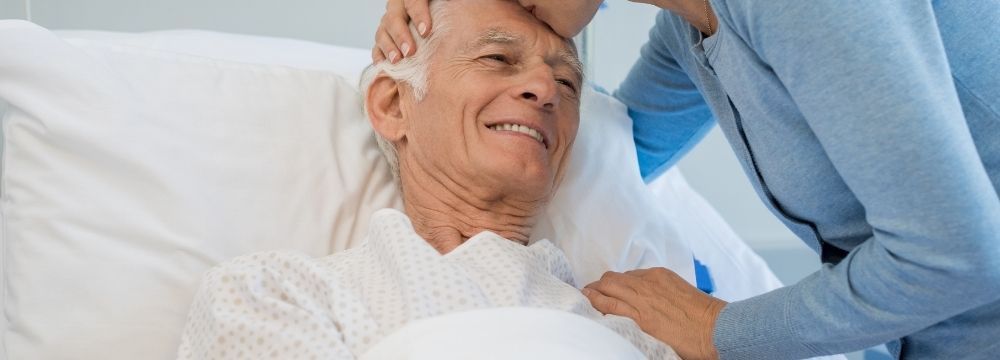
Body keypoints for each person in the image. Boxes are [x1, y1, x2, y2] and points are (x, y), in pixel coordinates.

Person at [371, 0, 1000, 359]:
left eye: (564, 79)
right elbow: (603, 154)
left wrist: (717, 328)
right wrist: (426, 47)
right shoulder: (689, 29)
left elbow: (956, 256)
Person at [175, 1, 679, 358]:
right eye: (497, 59)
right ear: (394, 105)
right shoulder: (272, 295)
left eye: (568, 82)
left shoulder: (637, 331)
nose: (546, 88)